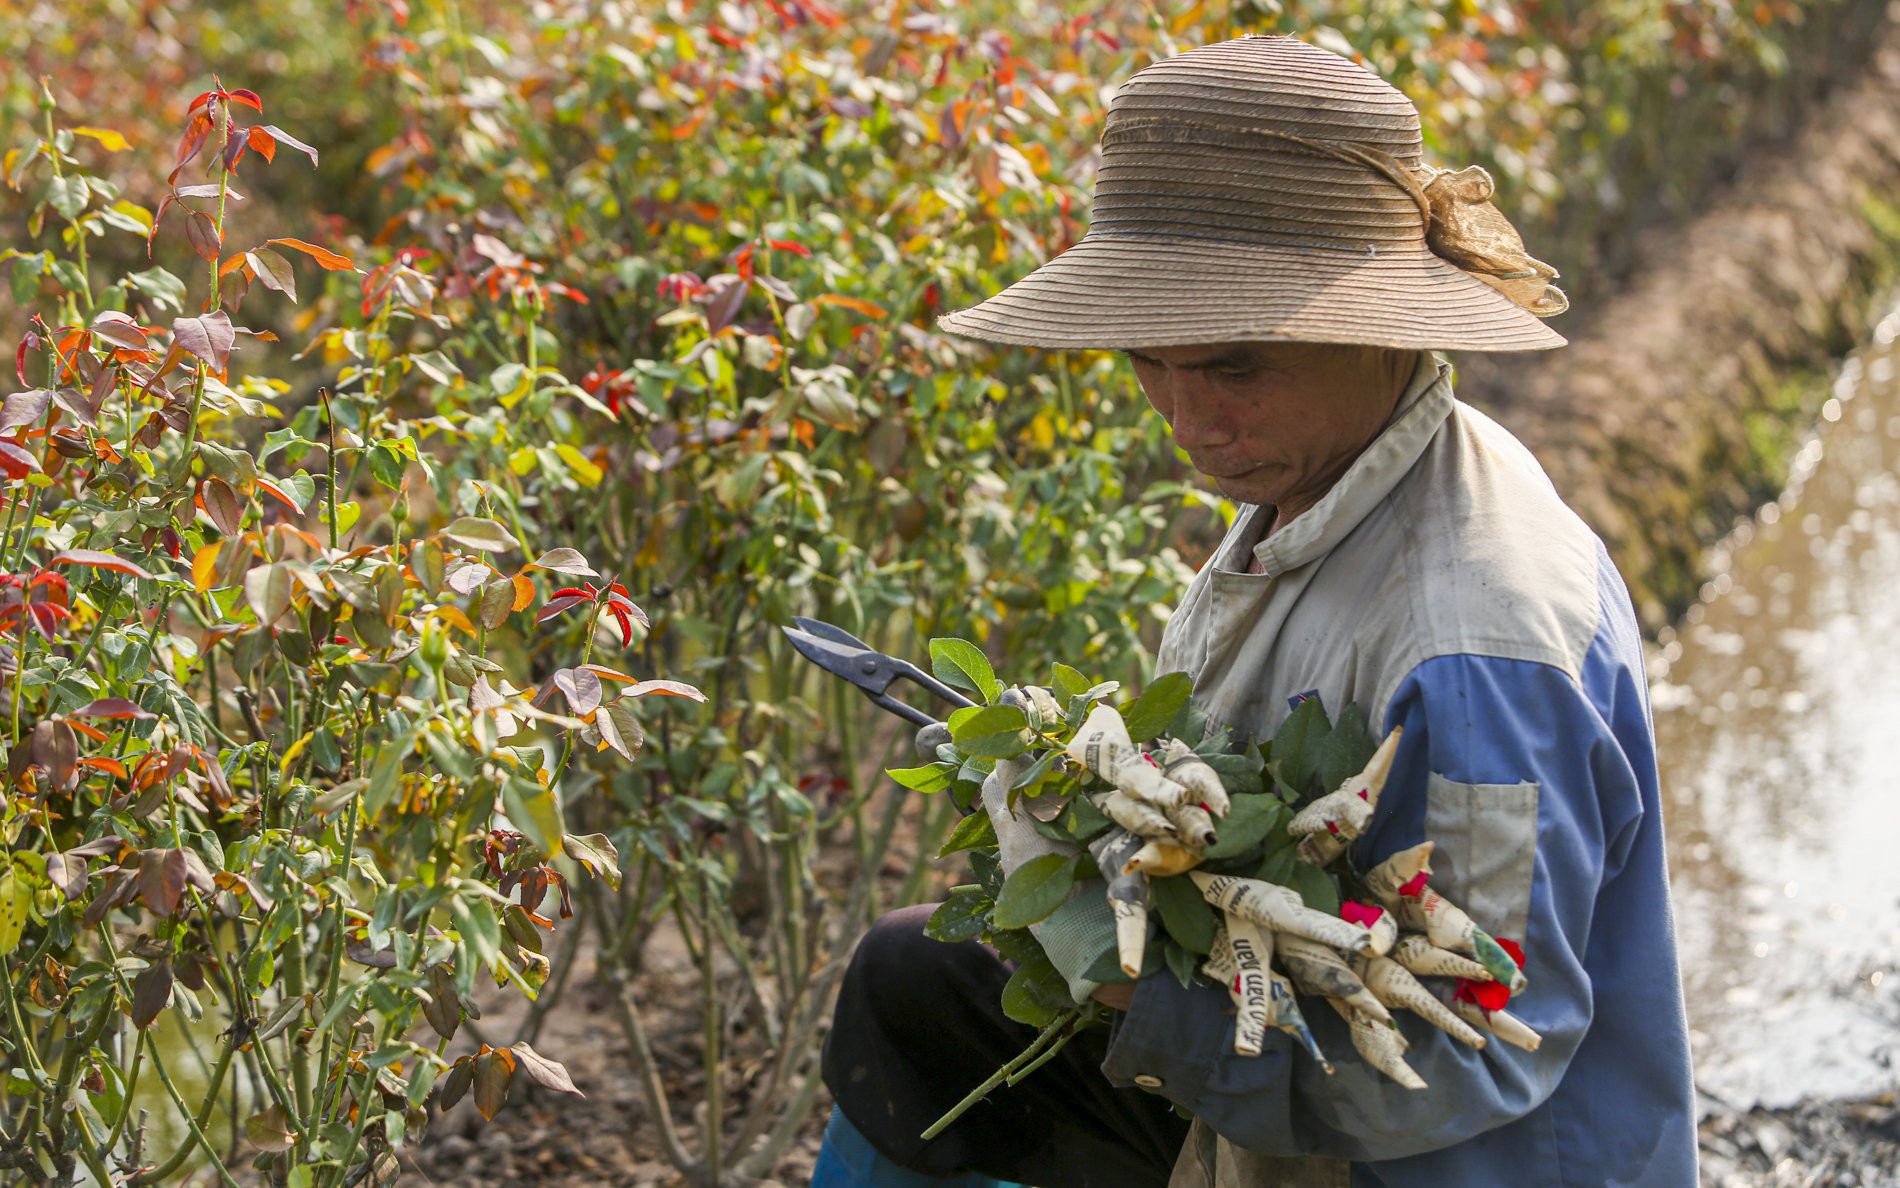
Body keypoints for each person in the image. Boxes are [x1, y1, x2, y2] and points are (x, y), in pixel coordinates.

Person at [812, 34, 1698, 1188]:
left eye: (1232, 368)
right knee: (912, 990)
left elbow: (1464, 1056)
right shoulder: (1327, 474)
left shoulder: (1476, 652)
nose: (1185, 418)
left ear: (1379, 323)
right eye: (1149, 364)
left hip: (1450, 1159)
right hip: (1293, 1086)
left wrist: (1124, 980)